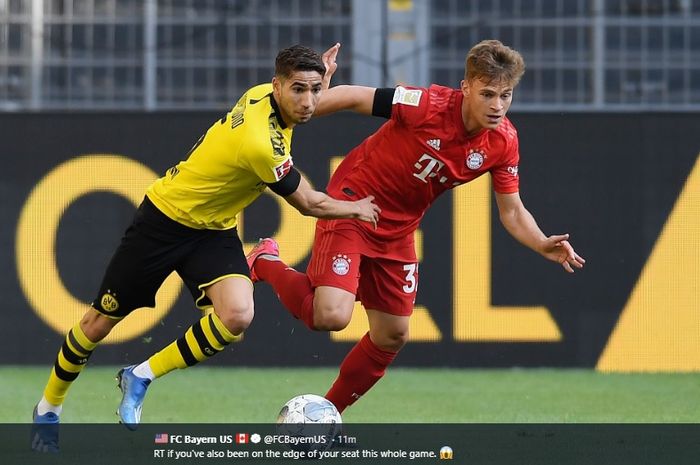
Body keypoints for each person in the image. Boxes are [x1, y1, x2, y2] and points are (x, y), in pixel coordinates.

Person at [30, 44, 381, 453]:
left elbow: (303, 106)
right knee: (97, 325)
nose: (308, 102)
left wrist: (323, 80)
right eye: (299, 90)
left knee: (237, 316)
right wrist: (356, 208)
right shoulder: (259, 143)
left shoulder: (262, 96)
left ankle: (140, 375)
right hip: (163, 221)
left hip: (213, 230)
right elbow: (310, 204)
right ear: (277, 86)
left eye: (315, 90)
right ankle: (48, 408)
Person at [247, 40, 586, 415]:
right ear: (466, 87)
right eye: (487, 94)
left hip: (399, 230)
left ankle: (326, 418)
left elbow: (512, 210)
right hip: (355, 204)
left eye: (505, 95)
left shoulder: (503, 142)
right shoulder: (426, 105)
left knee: (393, 334)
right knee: (330, 316)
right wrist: (302, 107)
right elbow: (356, 97)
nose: (497, 105)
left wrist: (540, 242)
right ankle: (264, 261)